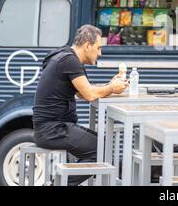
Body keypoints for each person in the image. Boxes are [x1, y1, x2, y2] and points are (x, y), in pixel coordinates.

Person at [33, 24, 128, 186]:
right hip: (52, 130)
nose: (100, 53)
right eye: (98, 48)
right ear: (87, 46)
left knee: (102, 144)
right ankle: (56, 184)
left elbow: (83, 92)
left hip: (55, 127)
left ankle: (59, 182)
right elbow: (90, 95)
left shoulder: (67, 57)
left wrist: (109, 85)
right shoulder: (69, 61)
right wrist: (112, 88)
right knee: (101, 149)